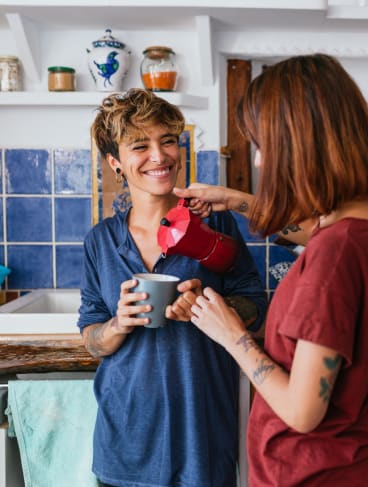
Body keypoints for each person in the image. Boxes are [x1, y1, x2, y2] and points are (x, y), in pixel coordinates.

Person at [173, 53, 368, 486]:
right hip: (357, 466)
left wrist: (231, 335)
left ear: (302, 144)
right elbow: (321, 233)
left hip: (313, 474)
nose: (260, 161)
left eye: (263, 146)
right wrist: (239, 200)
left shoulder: (333, 259)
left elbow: (302, 412)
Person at [78, 88, 267, 487]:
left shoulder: (215, 225)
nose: (159, 156)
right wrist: (118, 324)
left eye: (168, 141)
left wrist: (208, 306)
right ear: (116, 162)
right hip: (125, 446)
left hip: (203, 441)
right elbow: (92, 339)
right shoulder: (100, 242)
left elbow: (254, 303)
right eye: (140, 145)